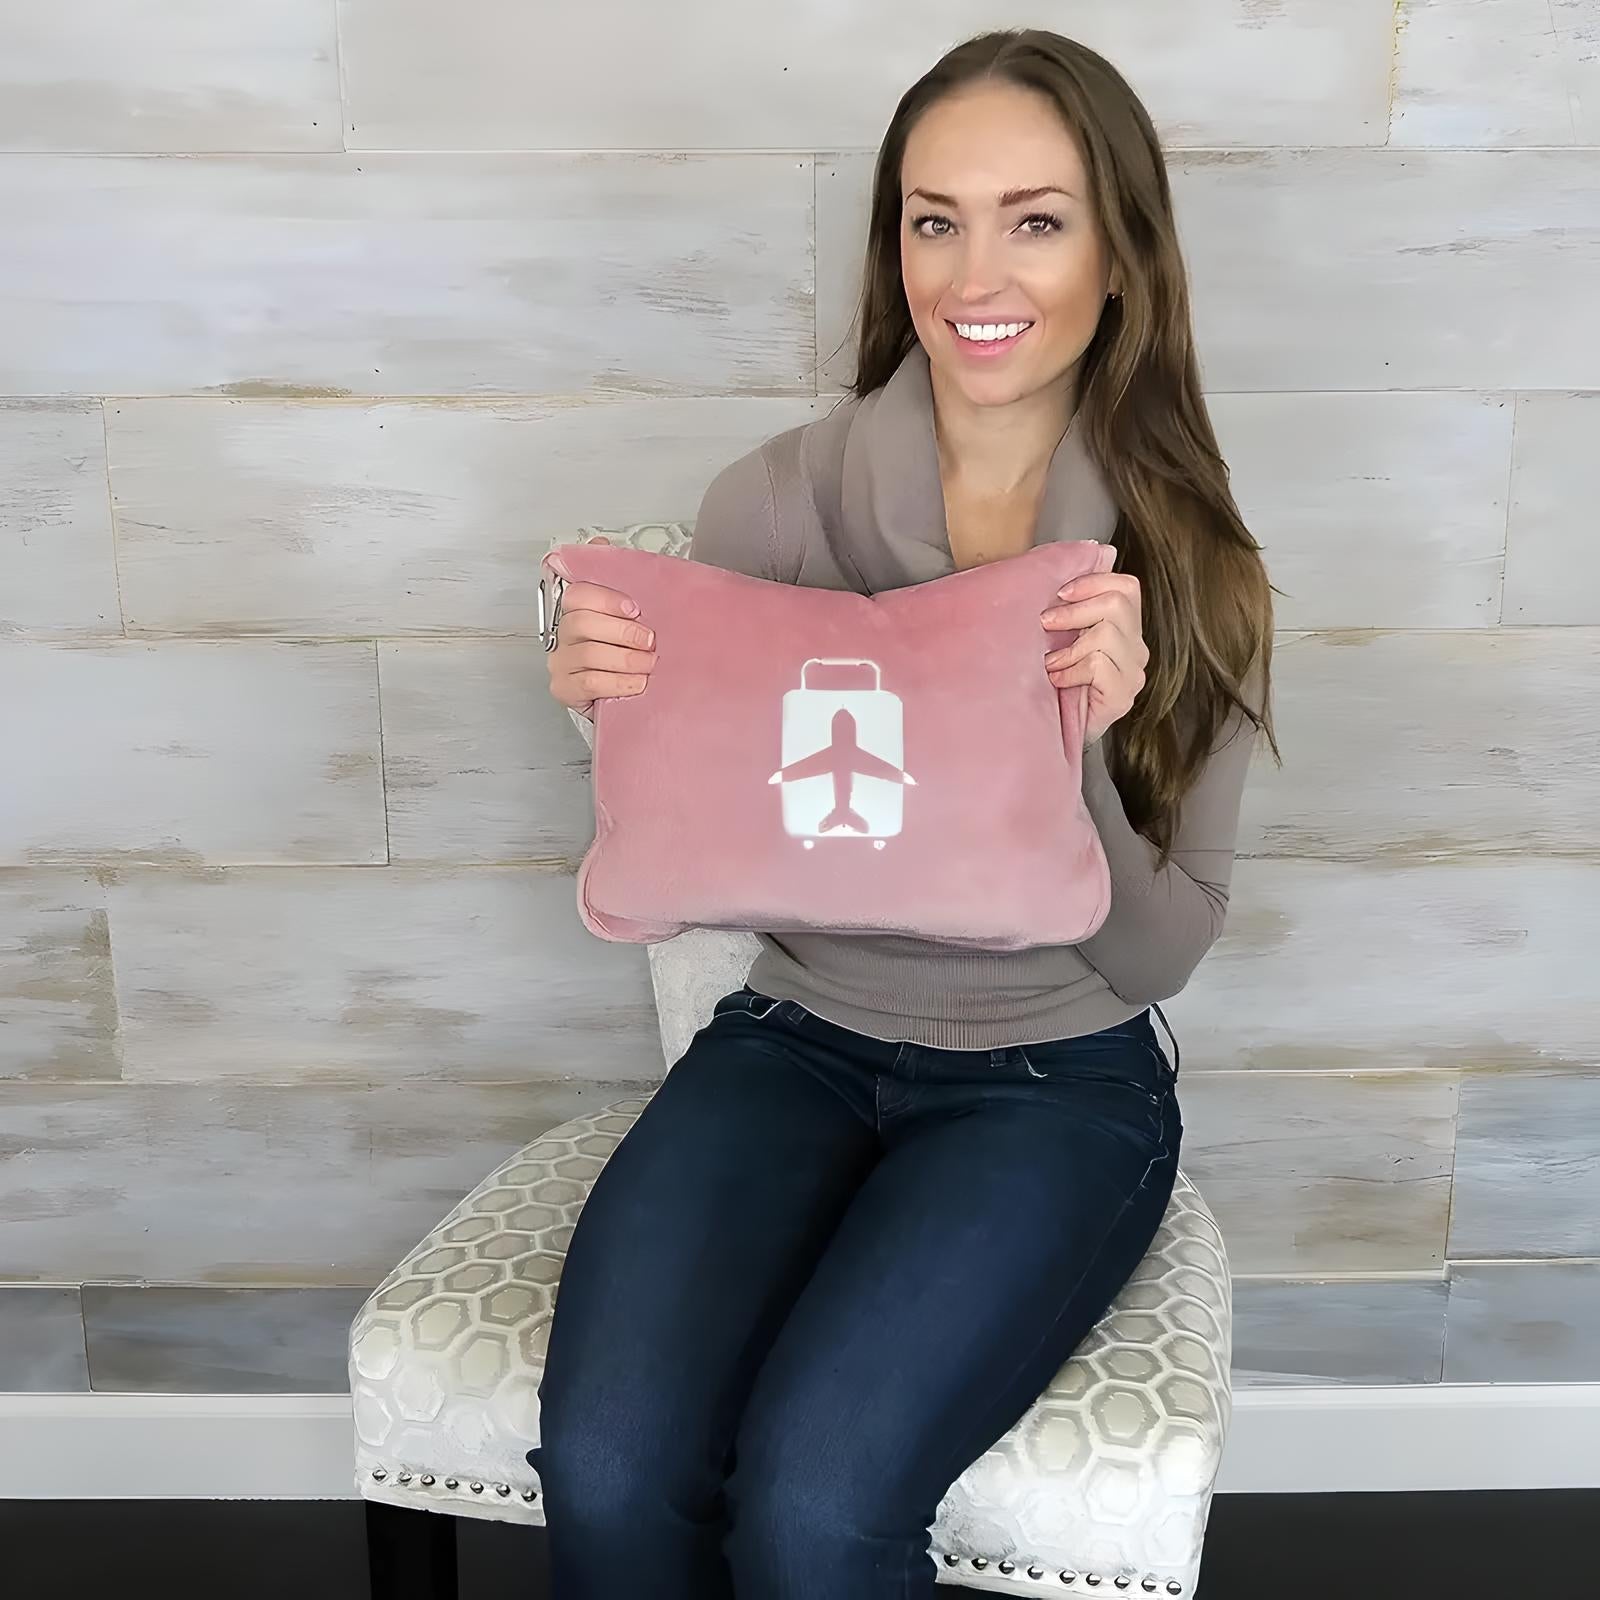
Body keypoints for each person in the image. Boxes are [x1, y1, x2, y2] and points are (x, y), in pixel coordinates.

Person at [529, 28, 1276, 1600]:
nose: (974, 268)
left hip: (1056, 1084)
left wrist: (1075, 734)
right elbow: (714, 846)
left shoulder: (1192, 564)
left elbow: (1156, 960)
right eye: (934, 217)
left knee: (813, 1511)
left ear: (1122, 256)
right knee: (606, 1472)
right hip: (796, 1038)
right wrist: (621, 707)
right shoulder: (775, 503)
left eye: (1037, 216)